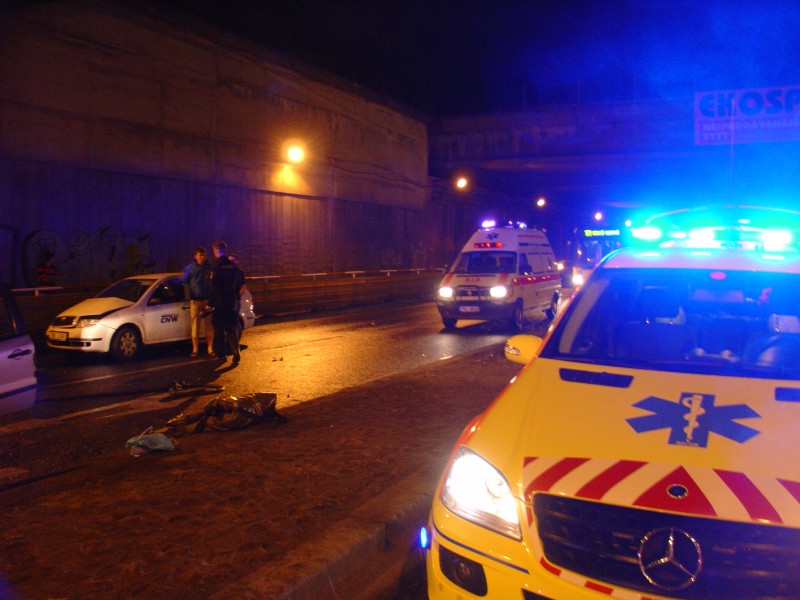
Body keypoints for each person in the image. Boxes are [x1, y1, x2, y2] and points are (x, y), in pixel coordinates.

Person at [207, 240, 245, 363]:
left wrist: (210, 303)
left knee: (218, 327)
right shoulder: (233, 266)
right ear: (225, 250)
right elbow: (238, 283)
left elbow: (214, 286)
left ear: (215, 250)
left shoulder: (216, 265)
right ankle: (236, 351)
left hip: (220, 301)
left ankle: (221, 354)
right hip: (231, 300)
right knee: (231, 327)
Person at [178, 247, 214, 357]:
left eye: (204, 255)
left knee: (209, 325)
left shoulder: (210, 266)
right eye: (200, 255)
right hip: (195, 300)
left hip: (207, 300)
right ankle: (195, 349)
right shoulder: (190, 268)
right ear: (195, 256)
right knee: (195, 325)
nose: (202, 257)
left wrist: (212, 298)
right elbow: (185, 282)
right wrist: (189, 297)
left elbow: (213, 281)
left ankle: (210, 348)